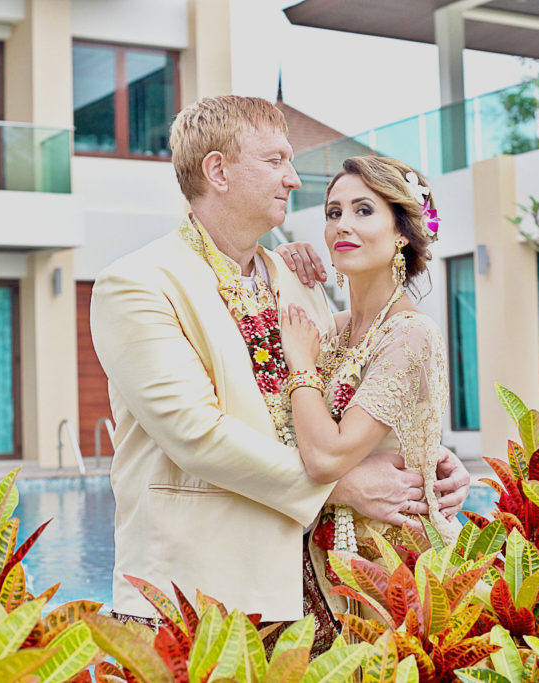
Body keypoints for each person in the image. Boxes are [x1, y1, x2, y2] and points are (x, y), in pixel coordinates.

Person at [90, 96, 468, 647]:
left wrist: (422, 451)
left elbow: (340, 397)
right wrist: (345, 485)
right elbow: (196, 434)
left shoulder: (298, 282)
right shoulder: (138, 284)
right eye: (275, 161)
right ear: (217, 171)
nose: (293, 179)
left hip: (313, 598)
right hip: (194, 597)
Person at [279, 155, 461, 612]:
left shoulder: (410, 333)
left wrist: (301, 363)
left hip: (391, 571)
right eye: (333, 212)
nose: (343, 225)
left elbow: (325, 456)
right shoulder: (331, 329)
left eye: (364, 210)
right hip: (321, 559)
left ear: (402, 232)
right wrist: (279, 269)